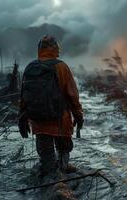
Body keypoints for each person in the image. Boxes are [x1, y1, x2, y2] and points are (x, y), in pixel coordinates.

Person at [18, 35, 83, 177]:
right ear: (54, 49)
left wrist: (21, 117)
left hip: (38, 123)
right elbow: (73, 95)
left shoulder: (30, 67)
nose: (59, 51)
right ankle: (62, 181)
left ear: (40, 49)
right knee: (64, 153)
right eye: (57, 48)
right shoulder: (61, 67)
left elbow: (24, 97)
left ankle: (48, 184)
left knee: (47, 163)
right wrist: (78, 115)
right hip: (61, 121)